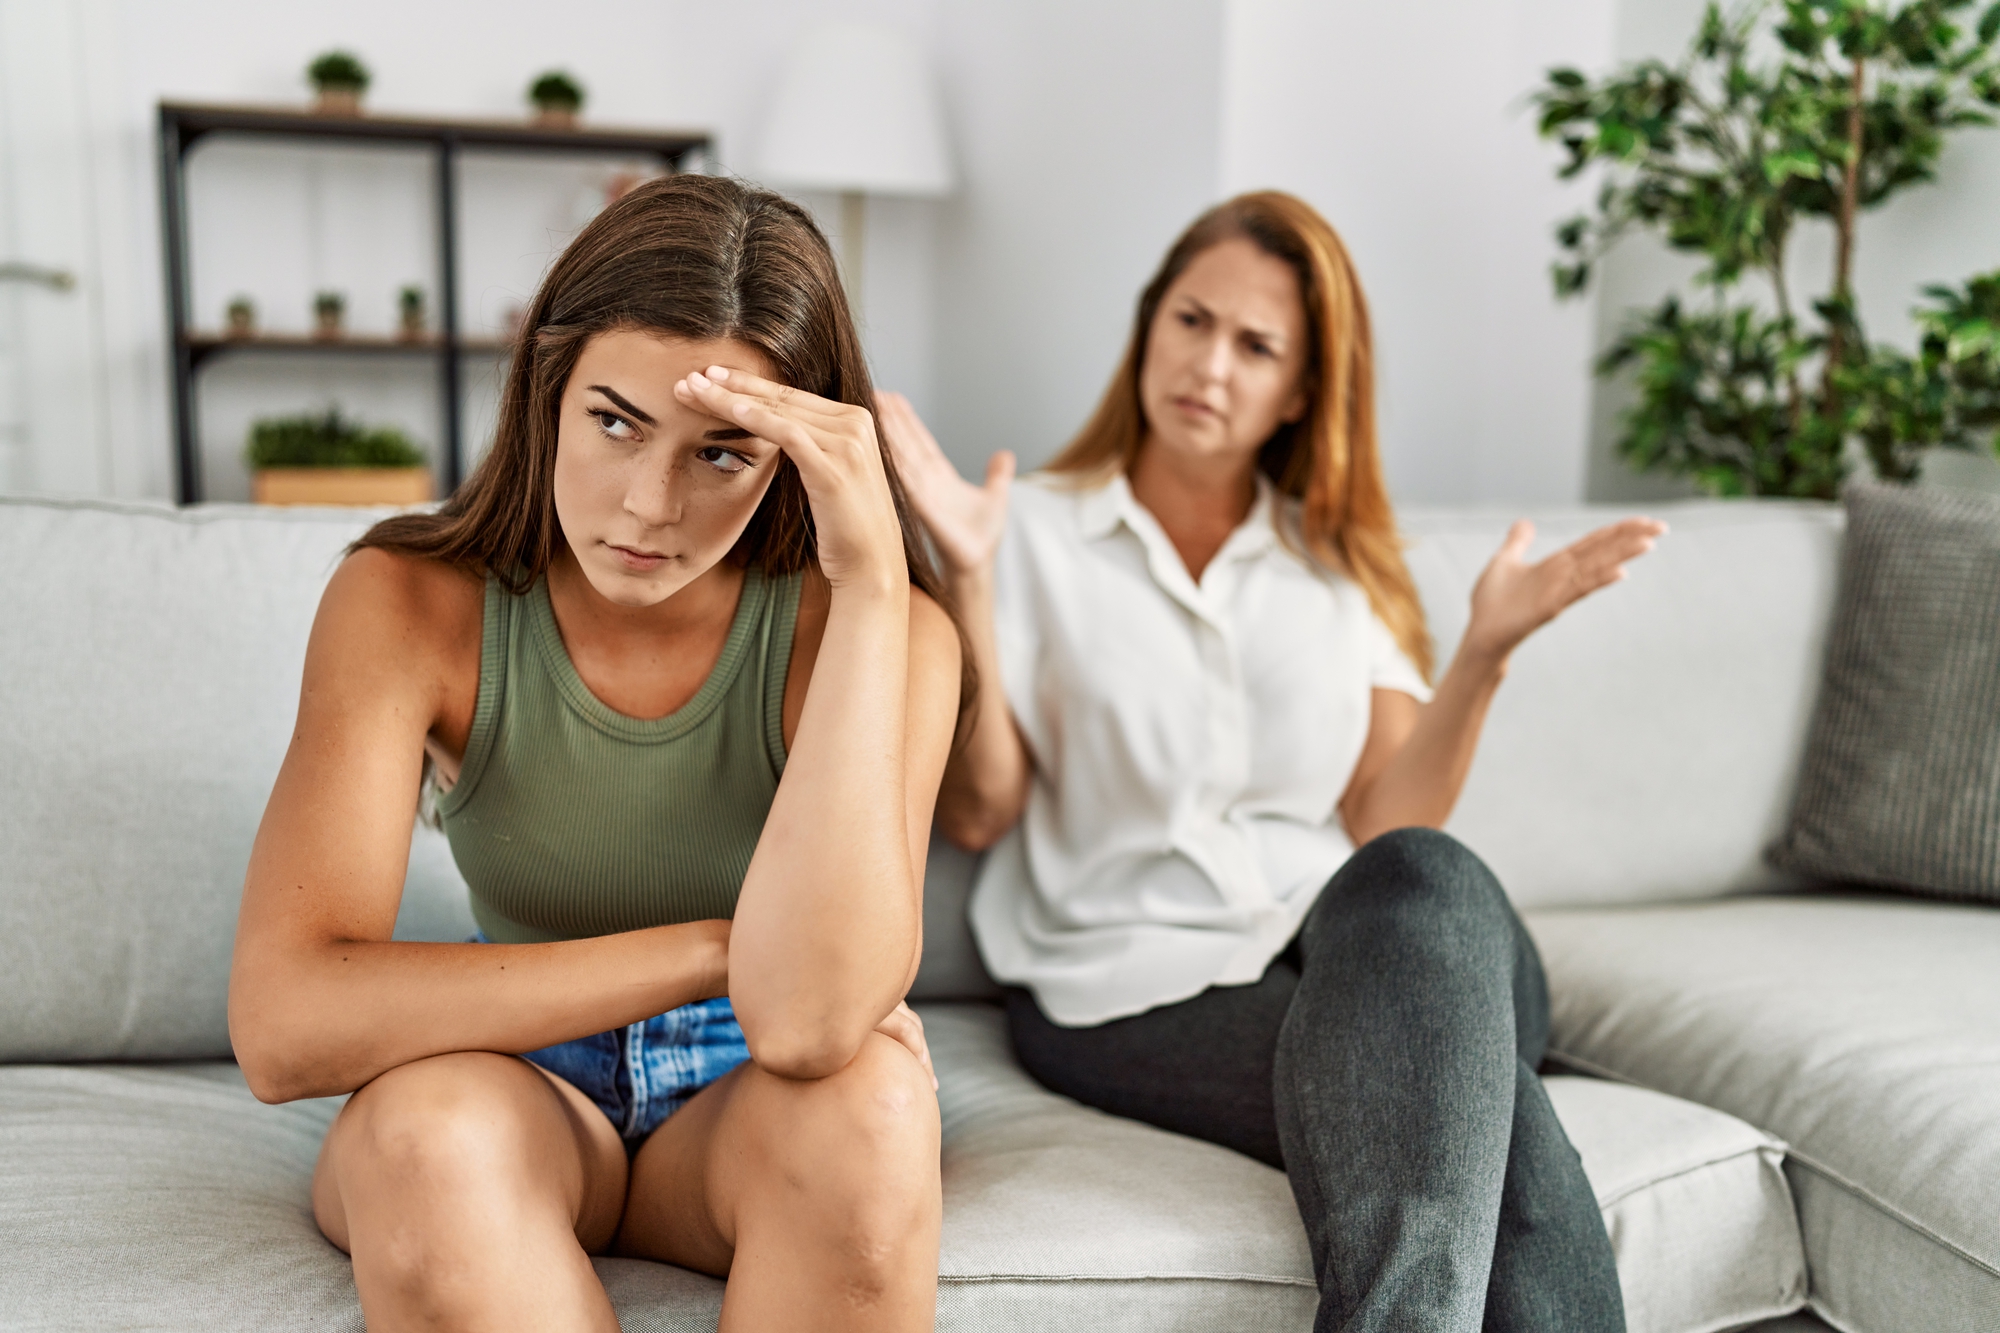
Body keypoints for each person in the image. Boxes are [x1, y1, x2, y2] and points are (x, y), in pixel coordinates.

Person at [878, 190, 1664, 1332]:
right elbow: (981, 809)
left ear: (1301, 390)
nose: (1210, 364)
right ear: (1148, 325)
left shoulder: (1336, 563)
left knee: (1426, 877)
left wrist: (1482, 652)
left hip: (1361, 940)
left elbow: (1387, 818)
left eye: (1256, 347)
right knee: (1502, 1133)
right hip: (1134, 980)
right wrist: (965, 583)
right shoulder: (1023, 533)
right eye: (1191, 321)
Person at [228, 175, 963, 1333]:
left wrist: (871, 585)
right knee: (425, 1145)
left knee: (869, 1110)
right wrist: (716, 949)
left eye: (723, 452)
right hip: (513, 1063)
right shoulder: (408, 602)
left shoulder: (879, 633)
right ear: (546, 388)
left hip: (752, 1096)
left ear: (793, 456)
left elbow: (812, 1023)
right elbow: (283, 1024)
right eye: (615, 422)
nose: (648, 503)